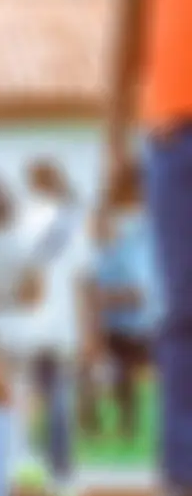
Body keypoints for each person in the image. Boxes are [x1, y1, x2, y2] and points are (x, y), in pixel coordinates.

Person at [106, 0, 192, 496]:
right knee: (181, 305)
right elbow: (127, 29)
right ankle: (182, 478)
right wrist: (114, 143)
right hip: (174, 131)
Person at [0, 159, 88, 496]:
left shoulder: (20, 218)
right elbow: (82, 281)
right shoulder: (73, 221)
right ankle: (60, 475)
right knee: (58, 399)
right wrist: (88, 333)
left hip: (21, 327)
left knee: (22, 398)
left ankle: (20, 471)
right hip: (60, 327)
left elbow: (9, 276)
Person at [82, 161, 160, 444]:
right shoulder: (108, 234)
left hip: (133, 322)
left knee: (125, 381)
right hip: (110, 323)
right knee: (104, 379)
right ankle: (101, 431)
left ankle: (125, 430)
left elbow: (144, 288)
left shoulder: (142, 230)